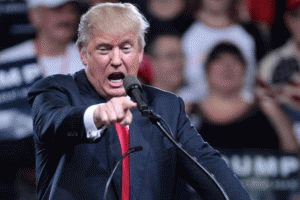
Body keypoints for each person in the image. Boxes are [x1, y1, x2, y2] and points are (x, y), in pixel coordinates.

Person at [28, 2, 252, 200]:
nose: (116, 60)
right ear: (84, 54)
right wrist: (95, 116)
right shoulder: (56, 90)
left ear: (140, 53)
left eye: (126, 48)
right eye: (104, 49)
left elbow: (209, 168)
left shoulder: (166, 107)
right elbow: (53, 121)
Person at [0, 0, 85, 199]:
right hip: (16, 171)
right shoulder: (6, 62)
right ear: (34, 16)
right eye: (56, 10)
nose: (67, 17)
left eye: (71, 10)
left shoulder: (94, 60)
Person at [187, 42, 299, 153]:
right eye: (218, 60)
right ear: (206, 70)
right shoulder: (185, 114)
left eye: (235, 60)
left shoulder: (267, 112)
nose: (227, 67)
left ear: (245, 71)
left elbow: (292, 156)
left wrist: (275, 115)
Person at [182, 0, 257, 102]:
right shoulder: (186, 32)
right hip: (197, 104)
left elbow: (250, 77)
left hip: (240, 104)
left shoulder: (249, 33)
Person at [258, 0, 300, 145]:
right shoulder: (270, 64)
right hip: (285, 139)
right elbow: (262, 103)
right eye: (298, 15)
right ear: (288, 20)